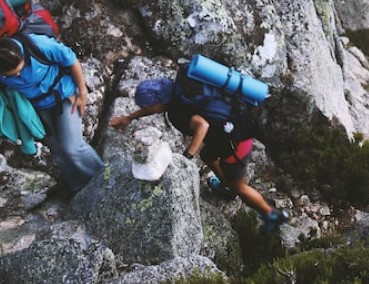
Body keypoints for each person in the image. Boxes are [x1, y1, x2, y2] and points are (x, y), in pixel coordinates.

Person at [110, 76, 288, 232]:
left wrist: (187, 157)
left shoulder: (179, 109)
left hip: (236, 141)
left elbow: (202, 126)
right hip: (221, 136)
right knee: (208, 156)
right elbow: (152, 107)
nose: (148, 110)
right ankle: (226, 186)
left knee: (239, 187)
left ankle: (271, 214)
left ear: (159, 101)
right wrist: (128, 118)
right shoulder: (175, 91)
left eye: (149, 107)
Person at [0, 35, 104, 194]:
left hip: (63, 96)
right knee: (57, 151)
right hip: (36, 108)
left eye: (21, 69)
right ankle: (77, 189)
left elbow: (70, 59)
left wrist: (82, 92)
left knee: (73, 147)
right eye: (12, 76)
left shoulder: (38, 45)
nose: (20, 76)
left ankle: (104, 181)